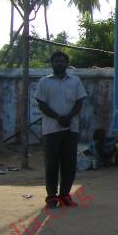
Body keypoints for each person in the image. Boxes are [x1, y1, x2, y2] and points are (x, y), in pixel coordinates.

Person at [35, 51, 88, 209]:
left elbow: (79, 102)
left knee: (69, 164)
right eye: (56, 61)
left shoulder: (75, 81)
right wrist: (58, 118)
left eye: (62, 61)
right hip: (51, 130)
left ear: (66, 63)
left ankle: (65, 195)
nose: (59, 63)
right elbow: (42, 105)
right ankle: (51, 197)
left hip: (71, 129)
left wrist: (69, 117)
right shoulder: (44, 82)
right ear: (52, 63)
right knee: (51, 165)